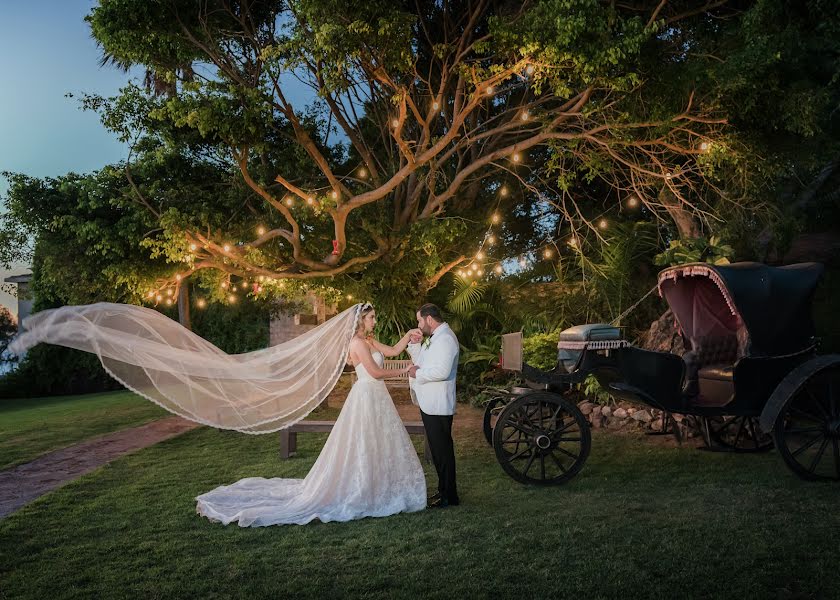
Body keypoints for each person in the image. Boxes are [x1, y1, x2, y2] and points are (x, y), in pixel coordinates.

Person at [196, 304, 428, 526]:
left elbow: (394, 350)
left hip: (377, 398)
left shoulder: (368, 340)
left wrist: (408, 335)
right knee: (362, 442)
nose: (375, 321)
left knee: (378, 442)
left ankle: (377, 485)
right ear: (360, 320)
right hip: (367, 395)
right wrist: (405, 369)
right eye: (371, 317)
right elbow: (376, 372)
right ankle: (361, 488)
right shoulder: (357, 343)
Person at [407, 303, 460, 508]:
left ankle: (449, 496)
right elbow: (423, 361)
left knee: (443, 452)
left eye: (419, 320)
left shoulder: (446, 339)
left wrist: (416, 373)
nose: (418, 325)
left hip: (438, 404)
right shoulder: (435, 338)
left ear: (429, 319)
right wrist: (415, 344)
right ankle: (443, 492)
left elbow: (442, 372)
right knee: (439, 452)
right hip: (430, 402)